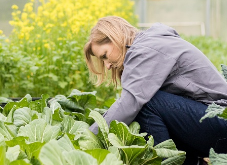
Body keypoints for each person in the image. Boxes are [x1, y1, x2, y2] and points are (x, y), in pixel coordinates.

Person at [84, 16, 227, 164]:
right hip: (213, 125)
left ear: (114, 37)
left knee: (145, 104)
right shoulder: (148, 44)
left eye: (105, 56)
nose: (107, 65)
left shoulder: (145, 50)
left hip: (221, 124)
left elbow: (128, 104)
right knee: (147, 103)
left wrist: (89, 136)